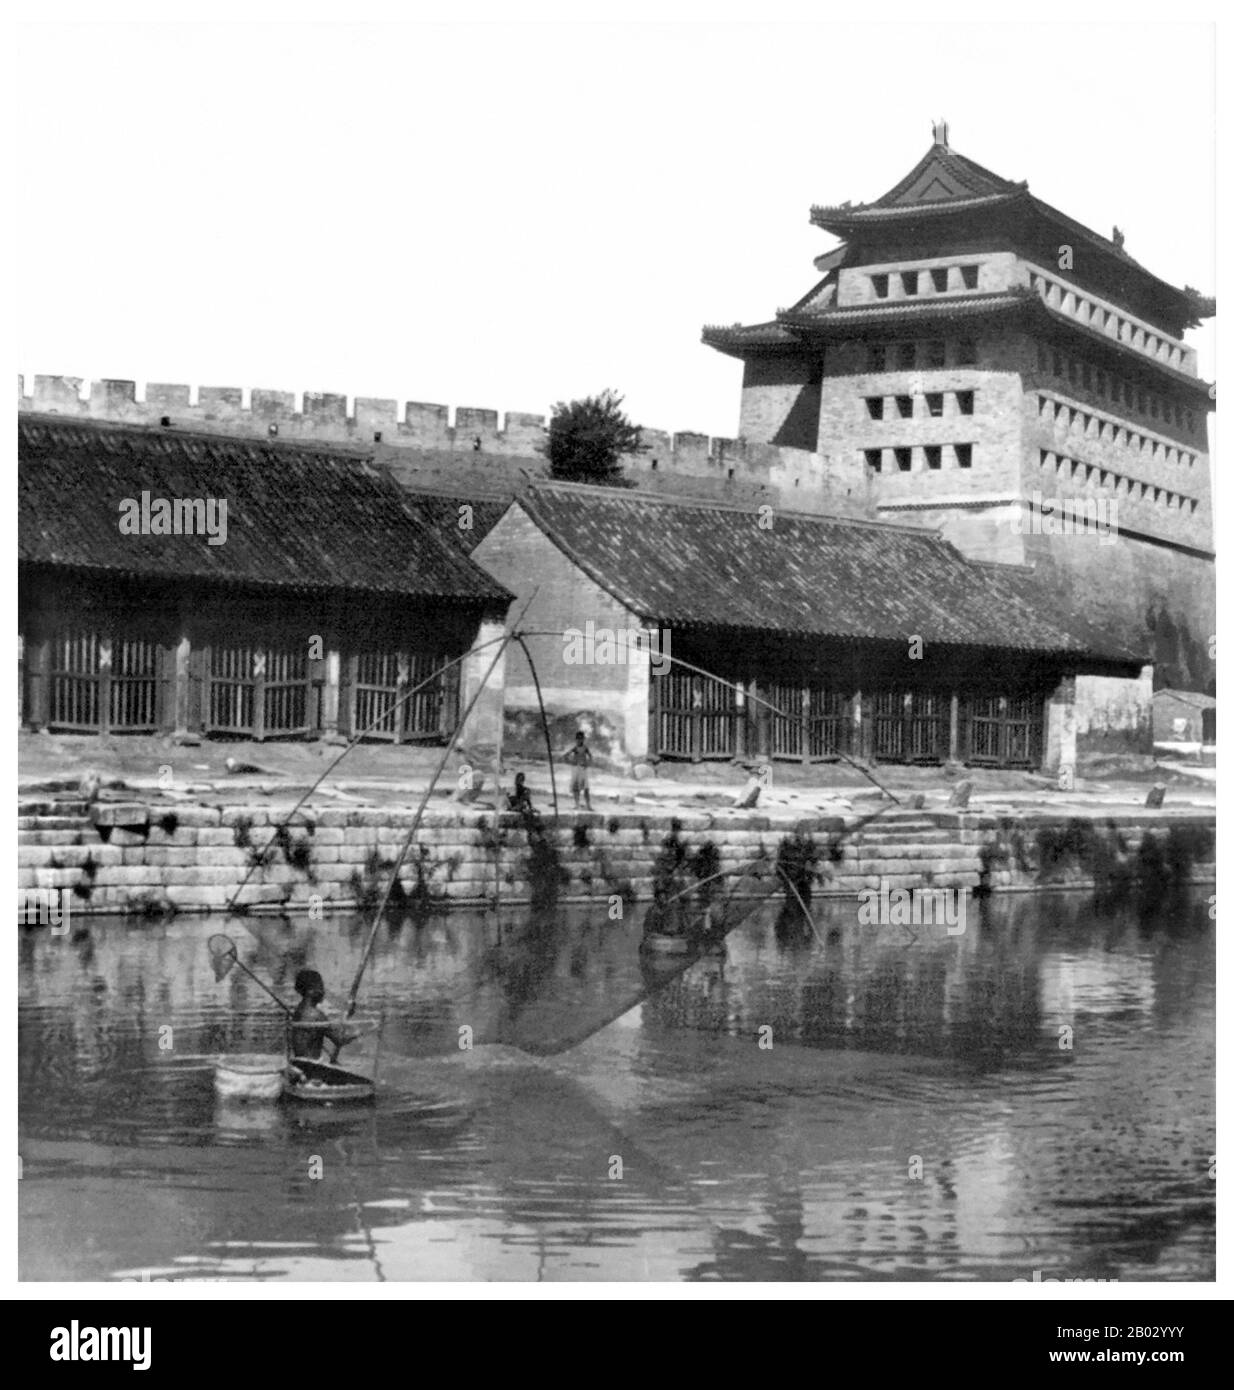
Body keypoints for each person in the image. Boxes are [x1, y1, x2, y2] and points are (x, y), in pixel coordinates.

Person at [289, 969, 360, 1062]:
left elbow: (335, 1031)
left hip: (300, 1063)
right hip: (312, 1066)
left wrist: (347, 1015)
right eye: (320, 987)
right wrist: (358, 1032)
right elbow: (340, 1039)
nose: (323, 991)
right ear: (310, 991)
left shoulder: (299, 1010)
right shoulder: (316, 1015)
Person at [563, 731, 593, 810]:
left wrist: (587, 764)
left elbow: (590, 757)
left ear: (583, 739)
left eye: (581, 739)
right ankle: (577, 804)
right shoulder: (575, 748)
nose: (580, 740)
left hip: (583, 769)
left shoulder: (585, 748)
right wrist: (571, 762)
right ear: (576, 739)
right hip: (576, 769)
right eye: (578, 739)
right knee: (576, 787)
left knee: (586, 787)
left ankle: (588, 805)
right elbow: (565, 756)